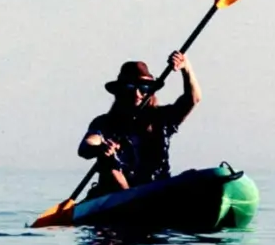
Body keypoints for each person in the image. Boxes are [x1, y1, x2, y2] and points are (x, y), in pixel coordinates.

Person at [78, 51, 195, 195]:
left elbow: (191, 99)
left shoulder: (162, 118)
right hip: (117, 195)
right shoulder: (105, 123)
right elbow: (87, 144)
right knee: (108, 163)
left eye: (144, 88)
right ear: (119, 92)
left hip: (156, 189)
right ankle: (129, 199)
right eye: (130, 88)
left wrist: (186, 68)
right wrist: (101, 148)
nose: (137, 94)